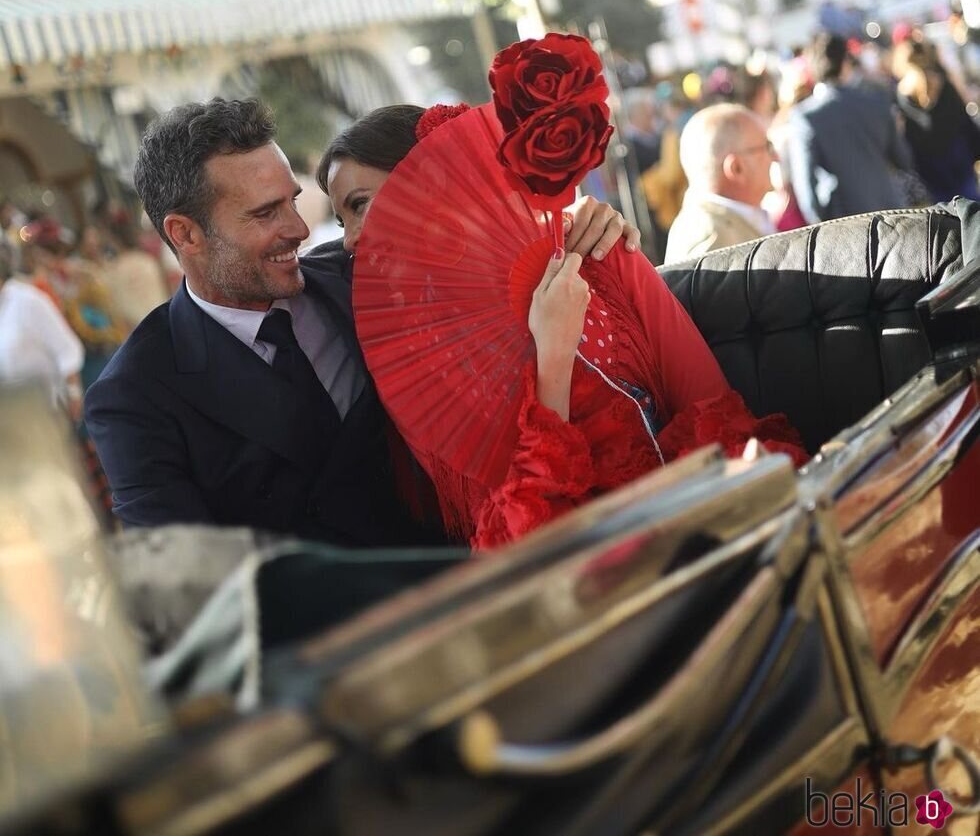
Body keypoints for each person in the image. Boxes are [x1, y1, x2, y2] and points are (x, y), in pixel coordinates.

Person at [85, 98, 641, 544]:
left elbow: (474, 241)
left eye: (292, 202)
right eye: (264, 214)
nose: (300, 231)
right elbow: (192, 596)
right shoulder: (135, 397)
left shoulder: (365, 273)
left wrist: (581, 226)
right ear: (185, 234)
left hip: (490, 567)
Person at [320, 91, 807, 551]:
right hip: (594, 583)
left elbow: (712, 406)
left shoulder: (595, 250)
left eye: (360, 205)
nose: (350, 241)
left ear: (433, 177)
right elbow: (524, 539)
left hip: (713, 524)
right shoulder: (416, 361)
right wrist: (552, 358)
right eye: (343, 220)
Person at [788, 33, 912, 224]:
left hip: (846, 224)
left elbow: (807, 192)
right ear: (845, 63)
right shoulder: (876, 101)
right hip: (892, 214)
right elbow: (903, 160)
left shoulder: (805, 118)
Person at [664, 104, 774, 262]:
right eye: (767, 147)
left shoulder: (725, 223)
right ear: (736, 168)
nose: (776, 157)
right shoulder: (712, 244)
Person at [0, 241, 84, 416]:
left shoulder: (27, 300)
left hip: (49, 409)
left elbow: (66, 349)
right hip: (12, 419)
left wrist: (74, 395)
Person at [893, 36, 980, 201]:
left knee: (945, 214)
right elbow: (962, 117)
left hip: (928, 163)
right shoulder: (943, 81)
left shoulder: (900, 93)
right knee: (972, 204)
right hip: (957, 154)